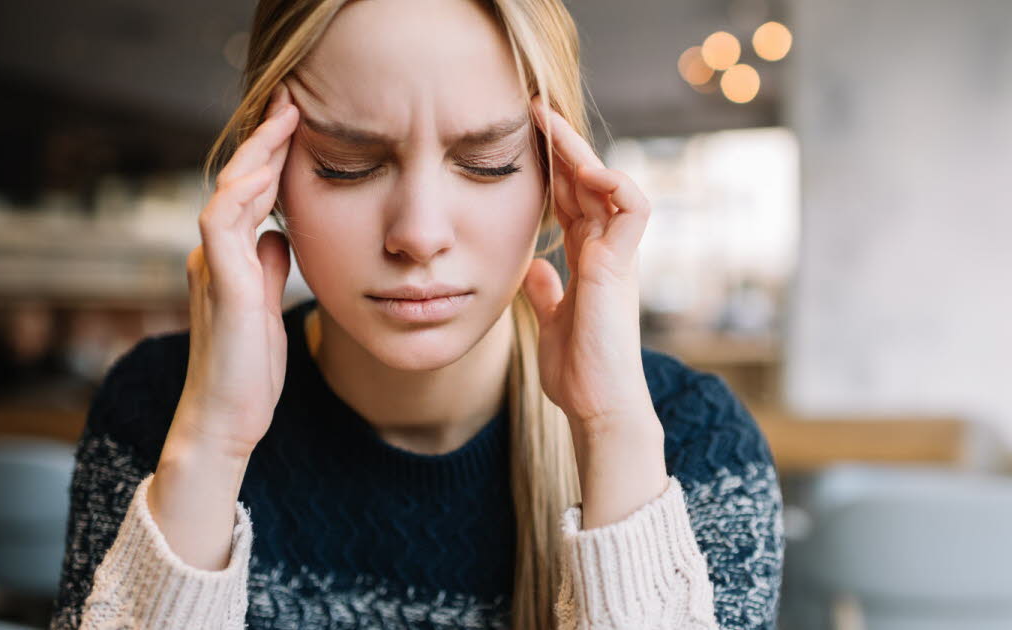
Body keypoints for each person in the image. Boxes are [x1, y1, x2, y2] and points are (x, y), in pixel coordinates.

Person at [48, 0, 784, 628]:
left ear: (558, 175)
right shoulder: (157, 412)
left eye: (488, 161)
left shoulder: (694, 449)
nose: (419, 233)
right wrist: (210, 445)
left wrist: (613, 432)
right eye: (346, 163)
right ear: (265, 175)